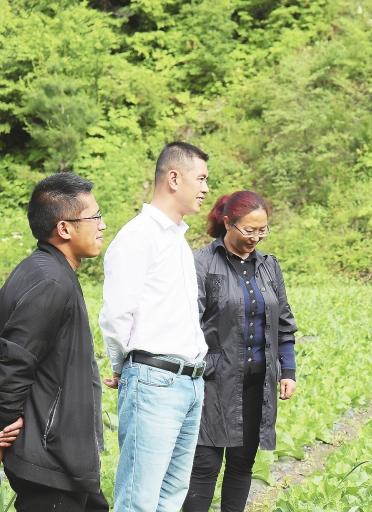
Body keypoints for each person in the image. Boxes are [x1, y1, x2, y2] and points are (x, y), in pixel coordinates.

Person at [99, 142, 210, 511]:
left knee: (171, 497)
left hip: (190, 382)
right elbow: (117, 315)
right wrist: (121, 366)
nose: (206, 189)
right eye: (202, 179)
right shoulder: (137, 236)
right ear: (174, 178)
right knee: (138, 500)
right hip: (154, 380)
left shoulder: (178, 241)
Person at [183, 191, 298, 512]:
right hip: (212, 383)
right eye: (248, 230)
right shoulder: (202, 264)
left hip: (256, 384)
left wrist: (287, 370)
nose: (255, 238)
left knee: (241, 464)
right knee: (203, 468)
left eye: (262, 231)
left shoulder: (269, 267)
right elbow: (187, 323)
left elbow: (284, 322)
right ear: (227, 223)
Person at [0, 173, 109, 511]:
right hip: (48, 459)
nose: (102, 224)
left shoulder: (49, 270)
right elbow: (13, 362)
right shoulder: (50, 281)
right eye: (95, 216)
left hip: (63, 458)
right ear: (64, 228)